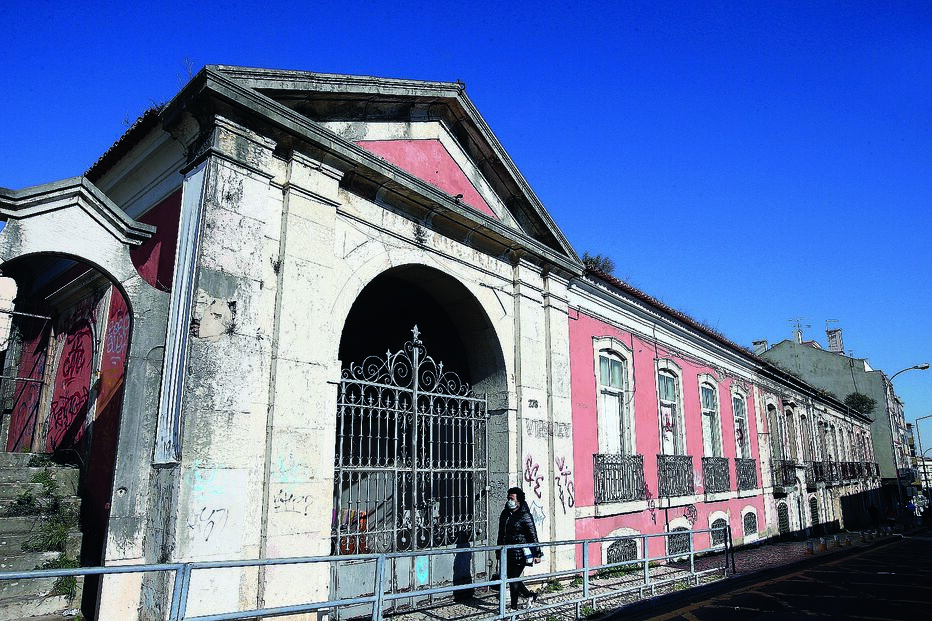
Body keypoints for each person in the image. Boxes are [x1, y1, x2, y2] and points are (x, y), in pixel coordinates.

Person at [496, 487, 542, 610]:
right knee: (512, 578)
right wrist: (498, 550)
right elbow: (501, 533)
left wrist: (537, 553)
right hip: (506, 552)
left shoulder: (525, 515)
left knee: (513, 579)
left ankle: (513, 608)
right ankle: (530, 595)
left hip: (519, 552)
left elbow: (532, 535)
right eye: (508, 498)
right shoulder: (505, 513)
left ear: (519, 501)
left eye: (512, 498)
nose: (509, 500)